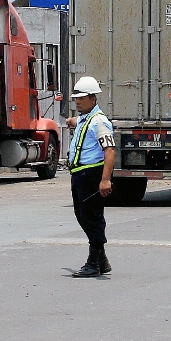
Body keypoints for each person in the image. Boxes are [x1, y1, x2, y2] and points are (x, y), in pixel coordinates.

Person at [65, 76, 116, 278]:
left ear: (93, 99)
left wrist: (105, 179)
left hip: (91, 174)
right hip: (79, 174)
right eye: (76, 97)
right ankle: (101, 260)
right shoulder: (86, 119)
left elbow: (110, 150)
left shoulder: (100, 122)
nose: (77, 101)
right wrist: (72, 121)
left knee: (92, 217)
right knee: (82, 215)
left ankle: (94, 262)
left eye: (82, 98)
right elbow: (80, 122)